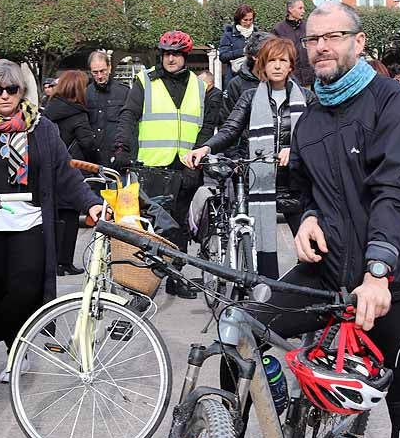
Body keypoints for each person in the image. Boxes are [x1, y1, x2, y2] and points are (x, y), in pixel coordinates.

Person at [254, 2, 400, 438]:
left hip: (397, 281)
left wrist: (378, 271)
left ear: (359, 43)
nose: (322, 47)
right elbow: (299, 186)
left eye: (333, 36)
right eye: (313, 40)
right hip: (328, 271)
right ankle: (272, 427)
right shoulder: (310, 117)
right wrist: (305, 217)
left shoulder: (394, 103)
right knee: (246, 326)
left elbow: (395, 191)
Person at [0, 60, 103, 381]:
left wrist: (91, 203)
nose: (4, 96)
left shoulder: (42, 129)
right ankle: (15, 346)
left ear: (22, 91)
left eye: (11, 89)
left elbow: (63, 173)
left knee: (24, 291)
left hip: (28, 224)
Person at [184, 37, 310, 279]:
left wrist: (296, 149)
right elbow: (230, 129)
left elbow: (316, 137)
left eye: (282, 61)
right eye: (271, 60)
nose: (276, 66)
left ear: (291, 66)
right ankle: (266, 293)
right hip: (259, 181)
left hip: (296, 185)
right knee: (259, 248)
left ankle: (304, 295)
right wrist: (206, 148)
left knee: (307, 248)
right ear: (262, 65)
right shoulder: (251, 97)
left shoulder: (307, 98)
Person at [113, 30, 219, 299]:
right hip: (152, 167)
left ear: (185, 56)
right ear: (161, 55)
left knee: (180, 226)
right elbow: (128, 116)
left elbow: (205, 126)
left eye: (177, 54)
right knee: (148, 229)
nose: (171, 58)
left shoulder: (197, 86)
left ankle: (176, 277)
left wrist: (198, 156)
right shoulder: (144, 81)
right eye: (167, 53)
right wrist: (123, 148)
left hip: (185, 166)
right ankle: (139, 285)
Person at [43, 69, 98, 276]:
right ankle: (65, 261)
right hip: (72, 168)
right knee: (72, 216)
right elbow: (88, 143)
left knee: (56, 217)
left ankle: (57, 261)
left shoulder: (50, 109)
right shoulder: (77, 114)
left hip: (50, 170)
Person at [85, 50, 130, 166]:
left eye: (102, 71)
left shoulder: (124, 92)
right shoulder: (85, 93)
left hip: (117, 158)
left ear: (109, 68)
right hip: (92, 159)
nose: (99, 76)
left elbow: (129, 124)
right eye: (95, 72)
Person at [224, 31, 271, 115]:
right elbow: (226, 118)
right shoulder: (236, 85)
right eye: (269, 55)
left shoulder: (287, 82)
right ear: (255, 56)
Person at [271, 0, 313, 86]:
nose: (303, 11)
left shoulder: (308, 27)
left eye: (303, 8)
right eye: (300, 8)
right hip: (289, 77)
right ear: (290, 9)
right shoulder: (278, 29)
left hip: (308, 77)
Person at [218, 4, 256, 89]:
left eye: (251, 20)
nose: (248, 23)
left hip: (254, 77)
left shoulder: (257, 35)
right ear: (239, 19)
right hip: (234, 77)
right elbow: (223, 56)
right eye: (245, 20)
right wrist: (242, 51)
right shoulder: (228, 35)